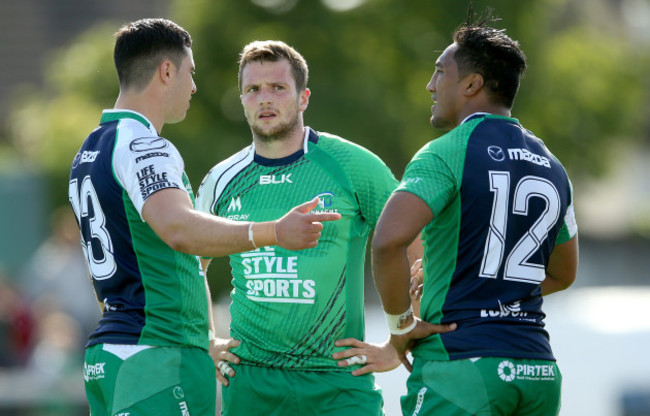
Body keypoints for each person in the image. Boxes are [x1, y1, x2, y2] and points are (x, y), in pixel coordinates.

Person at [67, 19, 340, 416]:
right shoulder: (143, 143)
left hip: (111, 355)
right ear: (166, 71)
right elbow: (178, 228)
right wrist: (273, 232)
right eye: (190, 73)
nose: (194, 87)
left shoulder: (90, 148)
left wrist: (205, 335)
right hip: (156, 356)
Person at [195, 40, 453, 416]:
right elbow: (188, 264)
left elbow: (421, 246)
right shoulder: (221, 178)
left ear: (303, 98)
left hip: (340, 383)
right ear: (242, 100)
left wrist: (401, 340)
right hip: (250, 383)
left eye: (278, 88)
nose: (264, 98)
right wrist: (207, 341)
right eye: (253, 90)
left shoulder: (353, 165)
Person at [371, 11, 579, 416]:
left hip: (462, 368)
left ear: (471, 83)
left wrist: (402, 325)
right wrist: (480, 285)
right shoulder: (552, 165)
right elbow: (563, 274)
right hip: (537, 370)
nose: (431, 85)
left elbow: (387, 241)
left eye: (439, 73)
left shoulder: (446, 151)